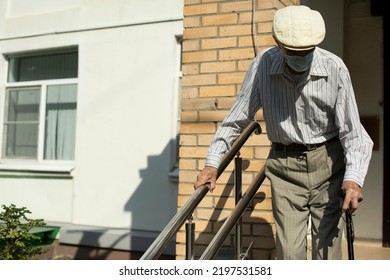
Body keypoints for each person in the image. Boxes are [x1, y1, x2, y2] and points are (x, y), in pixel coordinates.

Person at [194, 5, 373, 260]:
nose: (301, 56)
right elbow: (236, 119)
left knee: (328, 253)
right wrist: (212, 164)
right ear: (278, 43)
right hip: (285, 167)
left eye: (307, 51)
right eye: (294, 51)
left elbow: (353, 133)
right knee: (289, 254)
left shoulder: (335, 68)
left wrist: (353, 179)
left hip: (329, 165)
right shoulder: (263, 66)